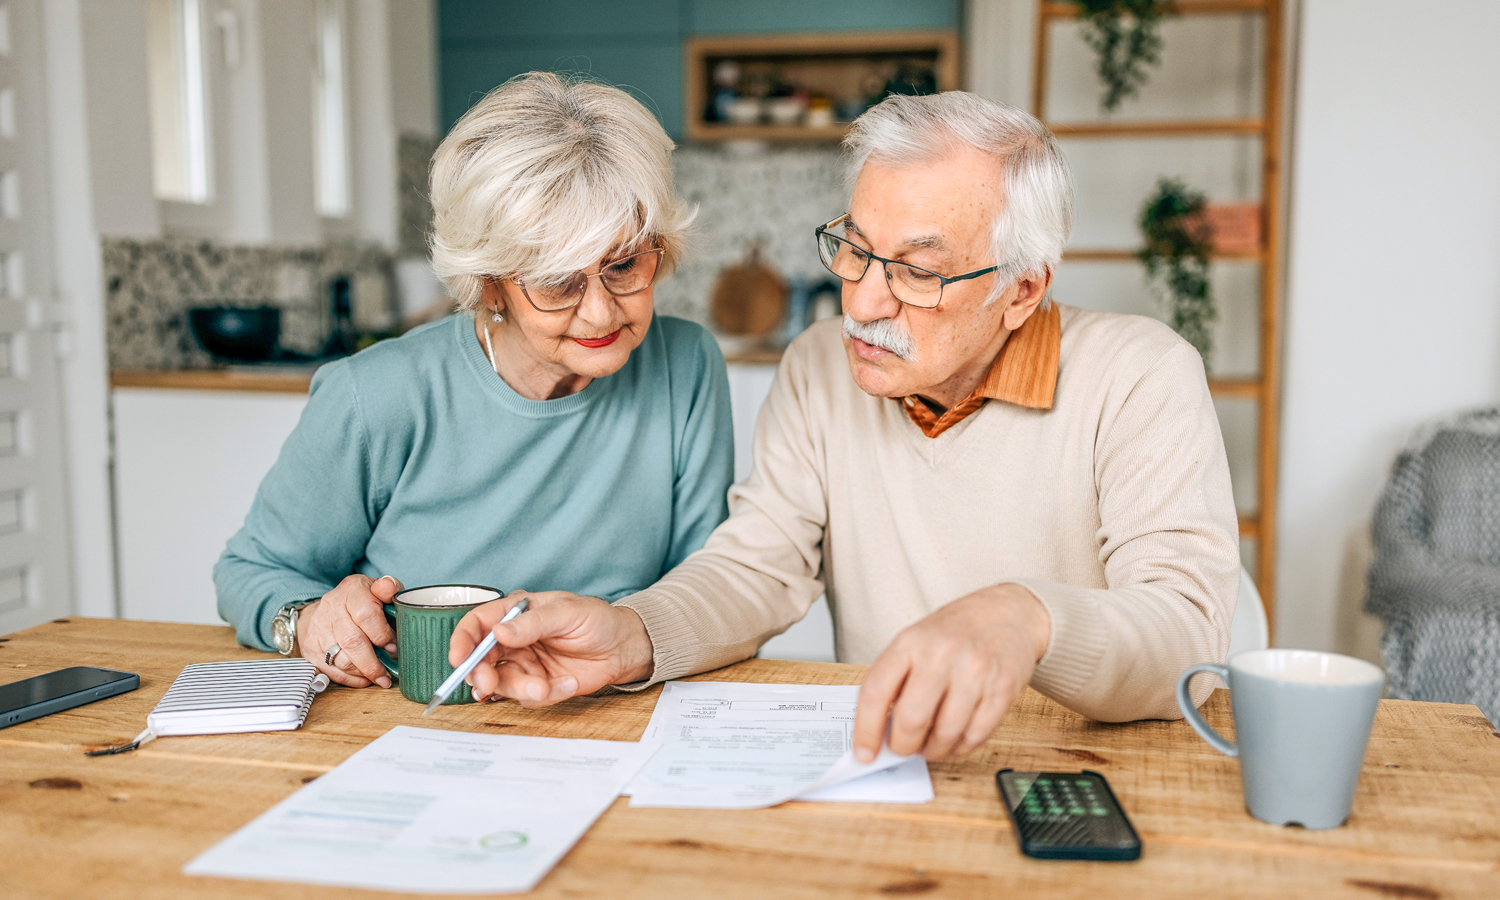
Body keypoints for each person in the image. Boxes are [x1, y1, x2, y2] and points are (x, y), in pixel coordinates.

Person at [449, 91, 1240, 763]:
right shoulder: (819, 369)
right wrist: (630, 632)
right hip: (891, 761)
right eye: (856, 249)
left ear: (1022, 290)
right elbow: (756, 570)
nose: (860, 303)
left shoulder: (1141, 376)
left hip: (1090, 766)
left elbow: (1187, 637)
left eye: (919, 273)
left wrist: (1024, 616)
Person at [214, 73, 733, 689]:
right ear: (490, 281)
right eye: (558, 280)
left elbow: (707, 591)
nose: (601, 311)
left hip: (608, 714)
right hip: (409, 723)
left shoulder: (687, 366)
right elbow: (252, 570)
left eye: (624, 266)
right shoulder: (376, 395)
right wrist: (305, 621)